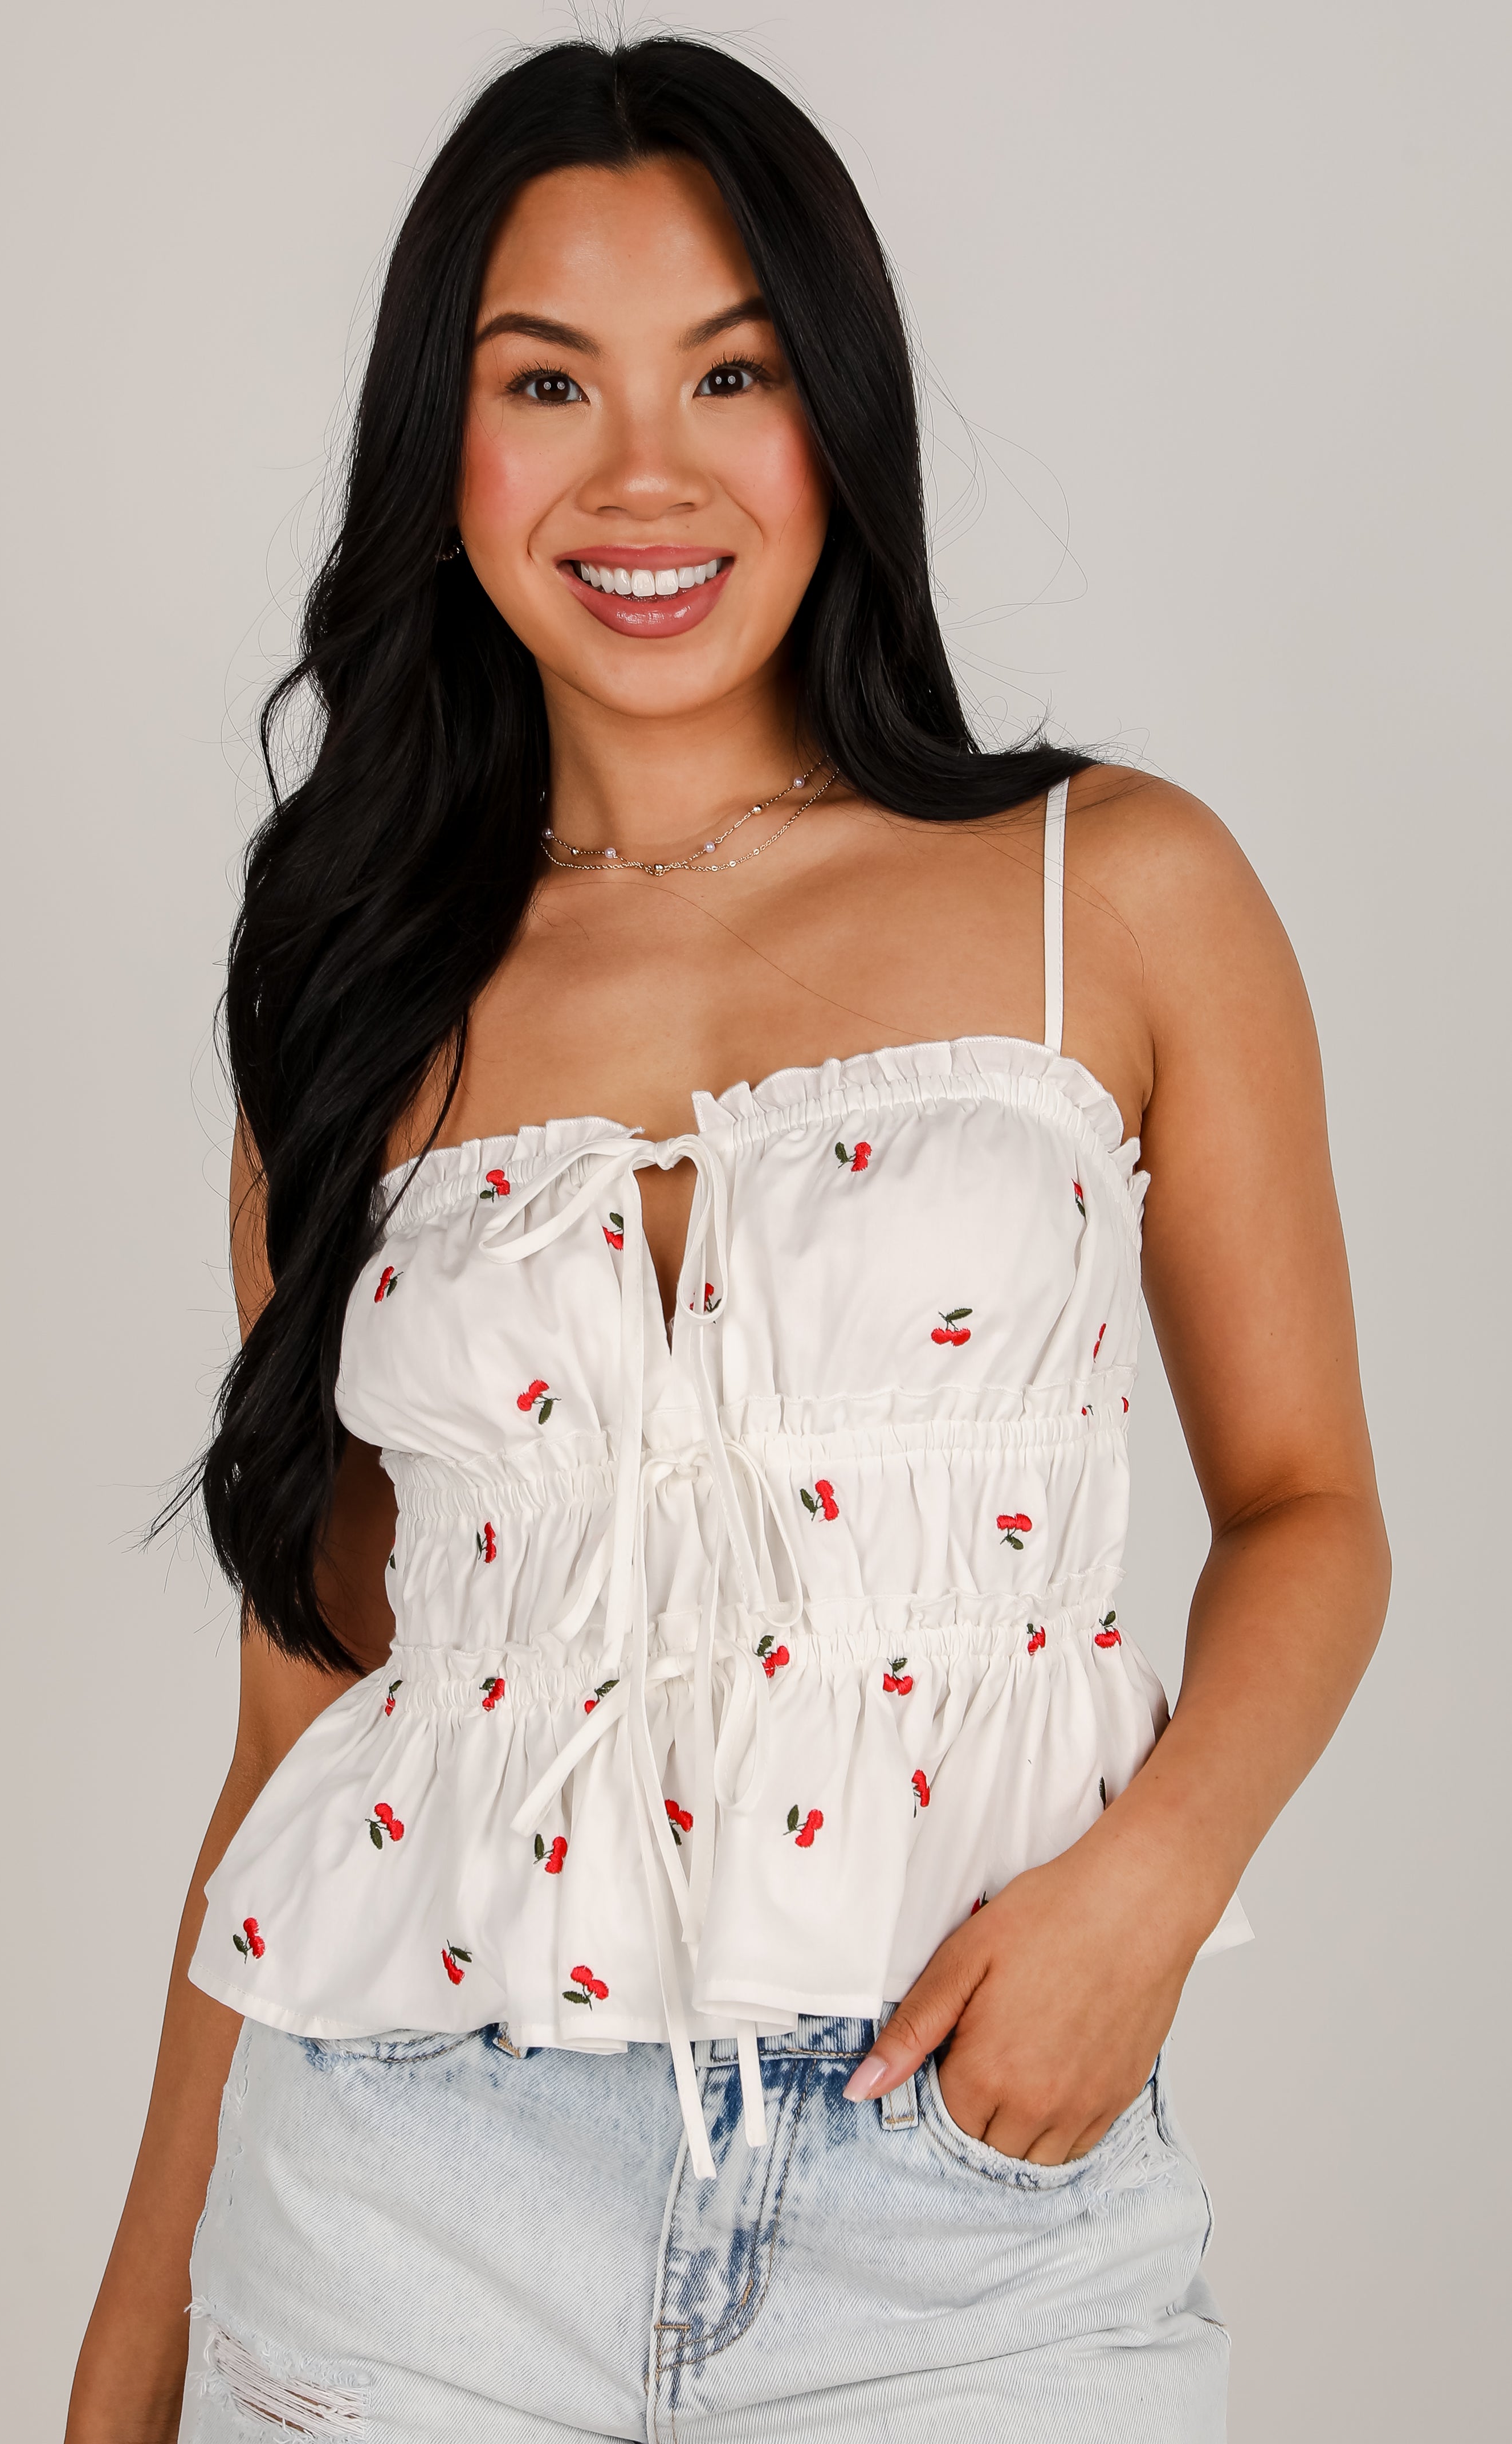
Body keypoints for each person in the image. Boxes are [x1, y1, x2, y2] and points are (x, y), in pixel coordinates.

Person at [67, 35, 1389, 2444]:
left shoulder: (1116, 893)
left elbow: (1309, 1507)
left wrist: (1152, 1887)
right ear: (439, 446)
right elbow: (304, 1715)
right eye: (543, 381)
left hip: (978, 2214)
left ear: (832, 417)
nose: (642, 474)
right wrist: (125, 2361)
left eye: (731, 371)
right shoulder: (351, 1000)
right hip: (398, 2226)